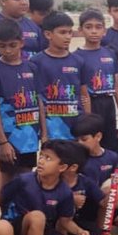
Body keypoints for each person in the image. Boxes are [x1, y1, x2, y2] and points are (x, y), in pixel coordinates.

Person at [0, 19, 41, 193]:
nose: (8, 50)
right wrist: (2, 141)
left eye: (12, 45)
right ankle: (7, 218)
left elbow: (39, 101)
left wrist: (44, 134)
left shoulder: (32, 67)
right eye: (2, 45)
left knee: (26, 180)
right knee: (8, 185)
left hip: (30, 137)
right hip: (9, 137)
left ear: (22, 42)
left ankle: (23, 218)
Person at [30, 12, 86, 142]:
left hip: (75, 130)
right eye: (62, 32)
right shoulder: (36, 62)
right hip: (51, 131)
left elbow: (84, 95)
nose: (67, 37)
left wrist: (86, 126)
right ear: (48, 34)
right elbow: (36, 98)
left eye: (70, 32)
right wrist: (44, 133)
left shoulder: (78, 61)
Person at [75, 9, 118, 151]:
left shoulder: (110, 54)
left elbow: (117, 86)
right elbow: (80, 92)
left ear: (104, 31)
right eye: (89, 27)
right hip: (91, 103)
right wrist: (86, 114)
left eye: (98, 27)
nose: (94, 31)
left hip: (108, 103)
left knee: (110, 144)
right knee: (90, 144)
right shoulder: (77, 57)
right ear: (80, 30)